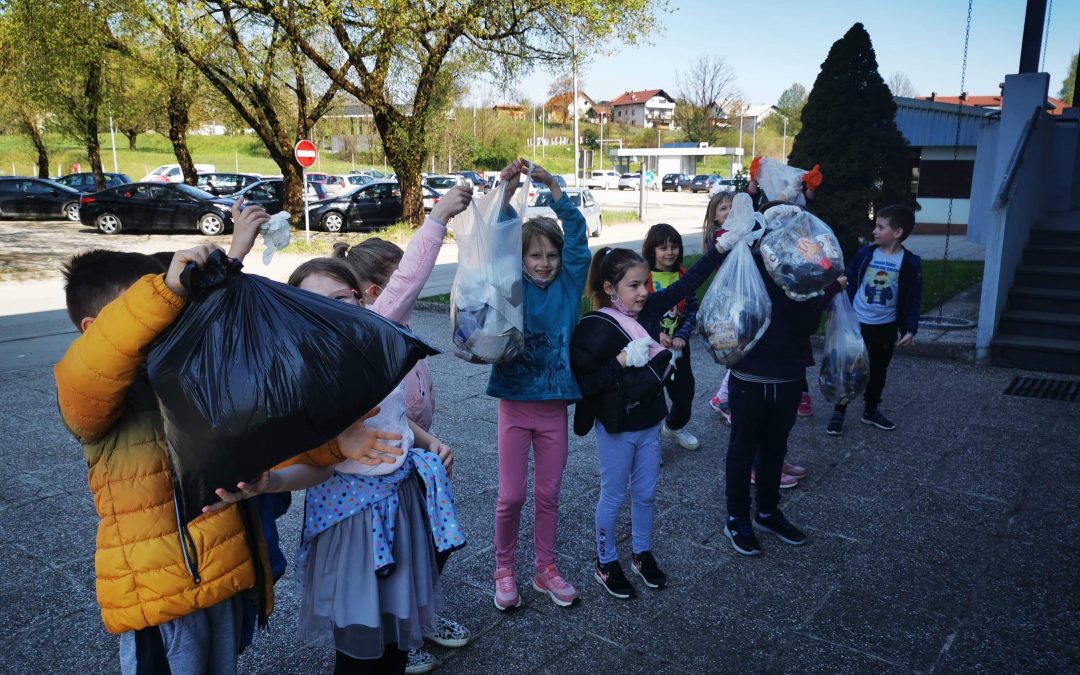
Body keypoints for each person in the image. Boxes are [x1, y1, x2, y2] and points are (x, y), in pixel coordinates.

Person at [53, 201, 399, 675]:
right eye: (148, 308)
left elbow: (262, 431)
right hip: (160, 597)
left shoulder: (184, 380)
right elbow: (93, 365)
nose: (165, 317)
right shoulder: (88, 398)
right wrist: (167, 287)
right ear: (98, 330)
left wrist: (337, 446)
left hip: (223, 573)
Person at [281, 257, 464, 675]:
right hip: (352, 522)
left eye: (340, 298)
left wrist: (429, 440)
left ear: (361, 299)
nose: (332, 310)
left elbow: (395, 419)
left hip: (402, 505)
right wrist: (268, 482)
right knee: (359, 647)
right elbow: (316, 466)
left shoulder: (377, 353)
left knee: (397, 638)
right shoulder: (309, 378)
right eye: (314, 304)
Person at [333, 187, 474, 674]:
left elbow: (401, 409)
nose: (411, 292)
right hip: (376, 479)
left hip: (413, 461)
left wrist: (428, 442)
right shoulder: (369, 333)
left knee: (432, 546)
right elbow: (410, 280)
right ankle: (402, 632)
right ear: (377, 294)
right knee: (395, 561)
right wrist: (436, 220)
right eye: (399, 287)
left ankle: (420, 617)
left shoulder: (400, 331)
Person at [570, 238, 730, 598]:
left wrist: (721, 248)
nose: (643, 292)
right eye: (634, 285)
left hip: (651, 421)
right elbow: (585, 386)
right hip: (616, 427)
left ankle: (642, 554)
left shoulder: (652, 307)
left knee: (645, 494)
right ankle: (606, 561)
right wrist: (621, 362)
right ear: (610, 288)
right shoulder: (594, 327)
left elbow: (687, 284)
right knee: (613, 496)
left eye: (646, 284)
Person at [486, 158, 591, 611]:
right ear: (522, 258)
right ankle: (504, 568)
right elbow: (501, 235)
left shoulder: (568, 286)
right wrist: (507, 192)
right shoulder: (512, 283)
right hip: (513, 403)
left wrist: (554, 189)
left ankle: (544, 568)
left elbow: (580, 244)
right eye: (535, 255)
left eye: (550, 255)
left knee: (548, 494)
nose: (544, 263)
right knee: (511, 496)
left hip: (553, 409)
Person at [722, 203, 845, 558]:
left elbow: (805, 324)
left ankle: (767, 511)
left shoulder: (802, 269)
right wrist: (824, 293)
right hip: (750, 373)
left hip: (789, 374)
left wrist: (822, 288)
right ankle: (736, 518)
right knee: (743, 449)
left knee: (776, 448)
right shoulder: (750, 264)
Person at [827, 204, 921, 435]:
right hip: (857, 323)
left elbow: (913, 298)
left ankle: (870, 410)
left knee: (878, 371)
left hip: (886, 327)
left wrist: (910, 328)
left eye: (880, 227)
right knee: (849, 367)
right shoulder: (866, 254)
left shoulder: (909, 263)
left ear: (897, 233)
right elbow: (847, 280)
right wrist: (838, 307)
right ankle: (839, 410)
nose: (875, 231)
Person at [641, 223, 700, 452]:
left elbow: (692, 310)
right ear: (652, 250)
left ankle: (674, 426)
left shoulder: (684, 277)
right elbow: (638, 313)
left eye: (674, 246)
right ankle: (650, 443)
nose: (669, 252)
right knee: (650, 398)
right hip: (650, 351)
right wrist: (657, 334)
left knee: (685, 394)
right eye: (663, 247)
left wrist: (683, 335)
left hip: (678, 350)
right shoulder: (643, 277)